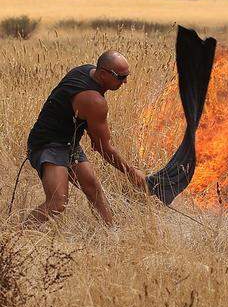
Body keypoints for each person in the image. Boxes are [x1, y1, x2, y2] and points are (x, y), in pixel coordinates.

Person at [25, 50, 147, 226]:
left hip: (69, 143)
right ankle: (15, 237)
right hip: (47, 145)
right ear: (104, 74)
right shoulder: (94, 100)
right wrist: (131, 172)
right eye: (121, 77)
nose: (125, 82)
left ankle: (111, 233)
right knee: (57, 203)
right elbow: (103, 147)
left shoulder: (85, 70)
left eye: (127, 76)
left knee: (93, 189)